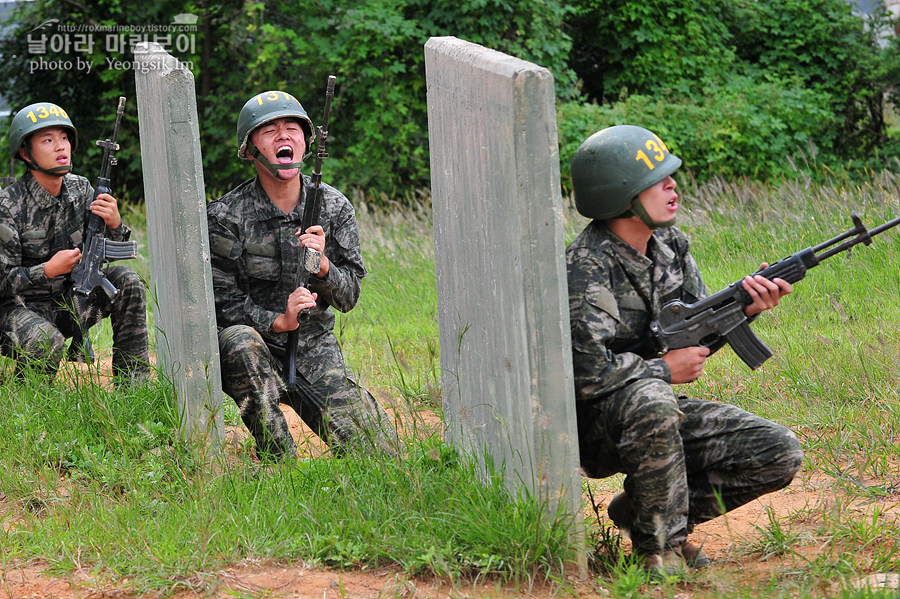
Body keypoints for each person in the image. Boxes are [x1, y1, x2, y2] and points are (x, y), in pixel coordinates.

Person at [566, 125, 803, 574]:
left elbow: (694, 334)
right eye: (657, 180)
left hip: (652, 414)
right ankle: (658, 552)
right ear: (622, 196)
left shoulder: (671, 246)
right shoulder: (586, 267)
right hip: (593, 428)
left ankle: (639, 515)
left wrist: (744, 309)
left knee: (777, 450)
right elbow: (584, 374)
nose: (673, 185)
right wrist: (663, 370)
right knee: (654, 398)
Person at [207, 90, 395, 460]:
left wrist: (323, 267)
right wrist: (278, 320)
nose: (283, 137)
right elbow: (221, 303)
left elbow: (349, 297)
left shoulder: (334, 206)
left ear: (307, 141)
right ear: (249, 150)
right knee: (239, 339)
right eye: (269, 130)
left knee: (381, 454)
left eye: (292, 128)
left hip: (312, 348)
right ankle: (279, 461)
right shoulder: (226, 215)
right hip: (252, 347)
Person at [0, 101, 149, 382]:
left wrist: (115, 223)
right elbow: (1, 281)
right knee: (45, 341)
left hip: (69, 302)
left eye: (64, 138)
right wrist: (45, 270)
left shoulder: (81, 189)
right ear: (26, 153)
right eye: (48, 140)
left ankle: (133, 384)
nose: (60, 146)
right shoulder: (8, 205)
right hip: (16, 311)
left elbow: (105, 251)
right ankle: (29, 393)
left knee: (127, 281)